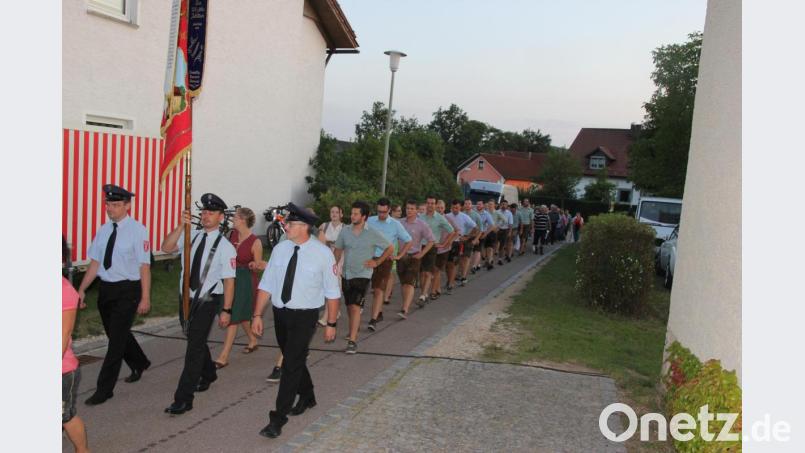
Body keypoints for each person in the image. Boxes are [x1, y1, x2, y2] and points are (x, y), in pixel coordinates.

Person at [251, 203, 341, 439]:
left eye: (289, 224)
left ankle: (277, 419)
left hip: (305, 316)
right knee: (294, 357)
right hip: (281, 314)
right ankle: (308, 394)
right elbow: (266, 285)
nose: (285, 226)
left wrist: (331, 323)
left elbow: (332, 292)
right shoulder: (280, 250)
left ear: (304, 227)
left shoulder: (323, 254)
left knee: (290, 364)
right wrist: (257, 315)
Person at [161, 193, 237, 415]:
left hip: (207, 301)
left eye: (211, 212)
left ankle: (183, 399)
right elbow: (166, 248)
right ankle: (209, 373)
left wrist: (226, 310)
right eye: (203, 212)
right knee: (194, 338)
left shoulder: (225, 247)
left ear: (221, 217)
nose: (205, 216)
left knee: (193, 347)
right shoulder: (190, 236)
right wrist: (180, 227)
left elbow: (229, 282)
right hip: (185, 298)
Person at [78, 184, 152, 406]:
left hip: (128, 290)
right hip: (106, 290)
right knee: (116, 334)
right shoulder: (103, 230)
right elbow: (95, 263)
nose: (111, 209)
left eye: (116, 205)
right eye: (108, 204)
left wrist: (145, 296)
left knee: (116, 343)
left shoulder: (138, 231)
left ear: (127, 205)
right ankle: (139, 362)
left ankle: (104, 389)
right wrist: (81, 289)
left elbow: (144, 266)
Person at [333, 201, 393, 354]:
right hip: (346, 273)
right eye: (351, 213)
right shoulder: (345, 231)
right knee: (349, 306)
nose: (352, 216)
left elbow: (390, 247)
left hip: (363, 274)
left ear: (364, 216)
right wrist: (333, 267)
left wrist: (377, 261)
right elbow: (338, 250)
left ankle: (352, 341)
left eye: (355, 214)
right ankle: (354, 327)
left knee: (355, 306)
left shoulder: (372, 232)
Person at [213, 207, 262, 369]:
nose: (232, 219)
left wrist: (254, 265)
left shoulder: (256, 241)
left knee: (233, 316)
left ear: (243, 220)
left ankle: (223, 356)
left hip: (246, 281)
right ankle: (253, 339)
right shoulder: (231, 235)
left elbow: (258, 265)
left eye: (235, 216)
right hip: (230, 278)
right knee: (241, 314)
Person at [366, 198, 412, 331]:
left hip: (385, 260)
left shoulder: (395, 224)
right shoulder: (370, 221)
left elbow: (408, 240)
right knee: (373, 289)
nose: (381, 214)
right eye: (379, 211)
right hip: (369, 258)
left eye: (384, 212)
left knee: (379, 289)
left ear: (389, 210)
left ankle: (373, 319)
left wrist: (399, 255)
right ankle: (378, 312)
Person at [63, 238, 89, 453]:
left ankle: (82, 450)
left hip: (61, 370)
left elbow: (61, 339)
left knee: (66, 415)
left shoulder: (63, 291)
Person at [398, 200, 435, 318]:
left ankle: (405, 309)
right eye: (407, 208)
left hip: (414, 256)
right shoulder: (399, 223)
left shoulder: (421, 224)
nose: (409, 210)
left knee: (409, 283)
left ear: (417, 210)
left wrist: (422, 254)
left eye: (412, 209)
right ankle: (405, 304)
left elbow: (431, 240)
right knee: (404, 283)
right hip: (401, 256)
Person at [419, 196, 456, 304]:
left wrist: (444, 244)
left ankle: (423, 295)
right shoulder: (421, 217)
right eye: (428, 203)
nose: (430, 205)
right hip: (420, 247)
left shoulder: (440, 218)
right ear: (426, 204)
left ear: (435, 205)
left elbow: (452, 231)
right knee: (421, 273)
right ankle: (423, 293)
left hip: (432, 247)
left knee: (428, 272)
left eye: (432, 203)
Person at [316, 206, 345, 327]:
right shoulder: (324, 226)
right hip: (326, 258)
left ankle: (326, 317)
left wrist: (331, 242)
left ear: (341, 214)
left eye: (336, 212)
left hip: (339, 259)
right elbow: (318, 241)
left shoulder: (345, 228)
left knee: (334, 284)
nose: (334, 214)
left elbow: (344, 244)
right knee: (326, 285)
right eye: (332, 212)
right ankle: (336, 310)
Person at [445, 199, 478, 292]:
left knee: (454, 263)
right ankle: (449, 280)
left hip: (458, 242)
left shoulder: (464, 217)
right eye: (453, 207)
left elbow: (475, 228)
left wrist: (467, 237)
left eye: (457, 208)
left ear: (461, 207)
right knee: (448, 264)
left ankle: (451, 284)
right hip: (447, 242)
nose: (455, 209)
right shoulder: (447, 216)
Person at [384, 204, 404, 304]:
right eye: (398, 211)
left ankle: (386, 296)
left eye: (400, 211)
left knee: (391, 273)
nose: (400, 213)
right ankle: (384, 292)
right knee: (385, 274)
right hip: (384, 249)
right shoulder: (387, 222)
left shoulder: (401, 223)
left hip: (394, 250)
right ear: (392, 212)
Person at [462, 199, 484, 280]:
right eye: (466, 203)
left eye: (469, 203)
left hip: (471, 238)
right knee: (461, 257)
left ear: (471, 205)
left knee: (467, 257)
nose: (467, 205)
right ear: (464, 205)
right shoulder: (461, 214)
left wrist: (476, 239)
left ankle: (464, 276)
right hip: (461, 238)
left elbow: (481, 229)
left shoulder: (476, 215)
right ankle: (461, 272)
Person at [485, 199, 503, 269]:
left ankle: (489, 261)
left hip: (492, 231)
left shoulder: (497, 213)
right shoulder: (486, 212)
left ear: (494, 205)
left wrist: (497, 226)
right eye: (489, 204)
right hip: (486, 231)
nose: (490, 205)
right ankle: (488, 260)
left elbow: (504, 220)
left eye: (491, 204)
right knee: (486, 247)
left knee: (490, 247)